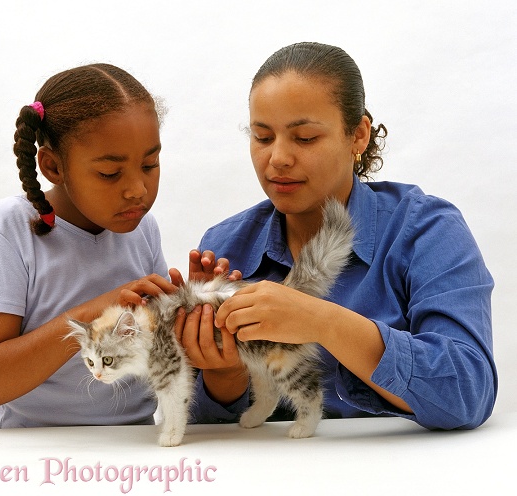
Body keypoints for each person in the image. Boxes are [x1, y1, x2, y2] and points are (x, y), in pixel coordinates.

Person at [179, 42, 497, 430]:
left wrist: (321, 321)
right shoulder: (228, 245)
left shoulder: (426, 229)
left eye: (305, 137)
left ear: (358, 135)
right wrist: (222, 368)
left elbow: (467, 393)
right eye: (262, 137)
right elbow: (193, 423)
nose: (277, 157)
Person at [0, 63, 201, 428]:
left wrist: (195, 310)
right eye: (109, 173)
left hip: (135, 446)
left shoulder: (142, 228)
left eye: (150, 164)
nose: (138, 189)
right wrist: (97, 311)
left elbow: (157, 351)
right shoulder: (4, 230)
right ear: (53, 166)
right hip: (30, 452)